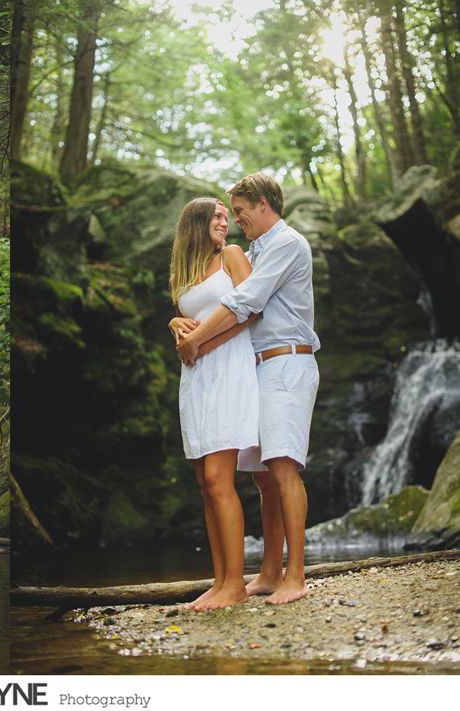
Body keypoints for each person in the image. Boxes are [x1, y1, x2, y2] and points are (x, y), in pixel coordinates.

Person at [176, 173, 320, 605]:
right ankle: (271, 572)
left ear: (263, 204)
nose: (236, 220)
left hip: (287, 360)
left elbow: (246, 302)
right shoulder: (254, 248)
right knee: (261, 475)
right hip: (255, 368)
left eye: (239, 211)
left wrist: (196, 340)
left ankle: (296, 576)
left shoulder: (288, 243)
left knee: (282, 466)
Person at [167, 197, 260, 611]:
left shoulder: (233, 256)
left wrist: (199, 343)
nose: (225, 221)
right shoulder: (184, 271)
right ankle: (220, 580)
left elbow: (250, 314)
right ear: (196, 224)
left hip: (228, 368)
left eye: (227, 215)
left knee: (221, 479)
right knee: (204, 483)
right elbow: (185, 319)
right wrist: (174, 323)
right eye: (217, 216)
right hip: (195, 379)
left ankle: (236, 584)